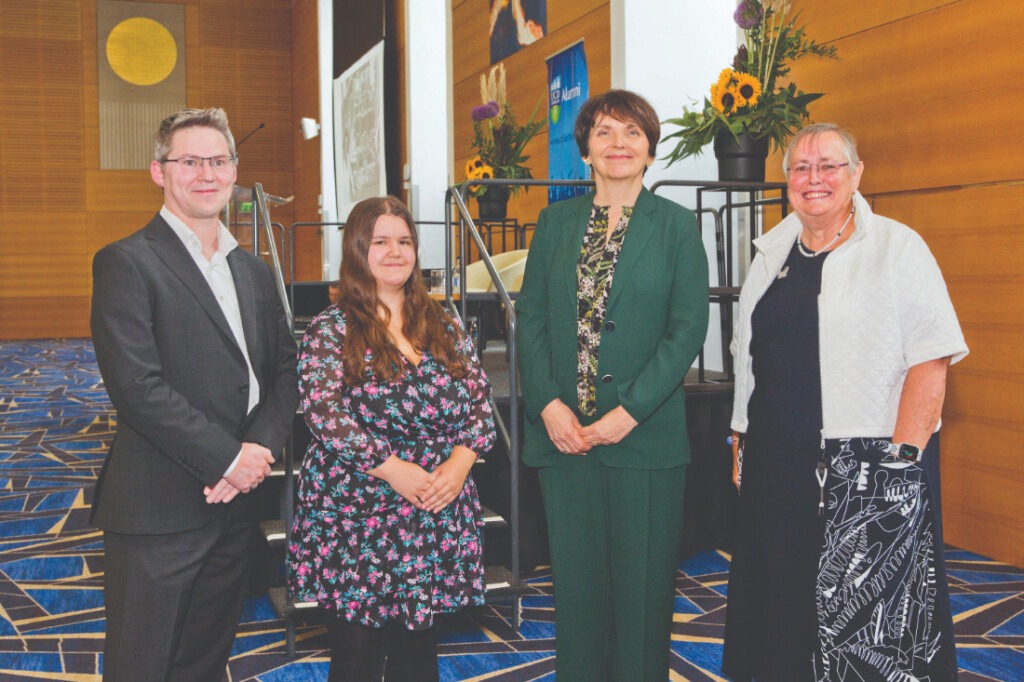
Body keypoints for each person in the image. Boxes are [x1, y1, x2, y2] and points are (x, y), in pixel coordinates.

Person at [723, 123, 967, 681]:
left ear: (857, 174)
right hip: (775, 467)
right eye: (801, 168)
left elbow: (931, 360)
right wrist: (739, 440)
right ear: (787, 181)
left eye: (829, 165)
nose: (815, 179)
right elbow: (748, 358)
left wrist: (901, 463)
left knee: (867, 625)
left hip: (866, 469)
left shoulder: (896, 247)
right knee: (781, 610)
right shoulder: (771, 252)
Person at [90, 107, 299, 681]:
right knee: (143, 667)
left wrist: (257, 452)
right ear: (159, 171)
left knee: (205, 664)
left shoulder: (254, 271)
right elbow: (136, 387)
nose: (206, 173)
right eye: (189, 161)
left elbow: (284, 371)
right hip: (159, 510)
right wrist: (229, 458)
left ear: (234, 170)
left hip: (236, 507)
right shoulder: (126, 262)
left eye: (219, 160)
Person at [516, 90, 710, 681]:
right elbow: (532, 321)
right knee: (575, 595)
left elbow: (686, 330)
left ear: (650, 149)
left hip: (643, 441)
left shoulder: (676, 226)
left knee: (643, 595)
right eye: (604, 132)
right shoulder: (554, 222)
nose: (618, 144)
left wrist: (629, 413)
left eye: (632, 132)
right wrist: (548, 403)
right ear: (586, 151)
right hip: (565, 438)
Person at [287, 196, 496, 682]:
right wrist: (395, 470)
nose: (395, 251)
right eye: (380, 241)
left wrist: (461, 462)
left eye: (404, 241)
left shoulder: (443, 322)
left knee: (418, 655)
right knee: (357, 656)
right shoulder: (330, 328)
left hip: (435, 507)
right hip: (359, 510)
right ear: (358, 249)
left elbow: (481, 403)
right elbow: (325, 414)